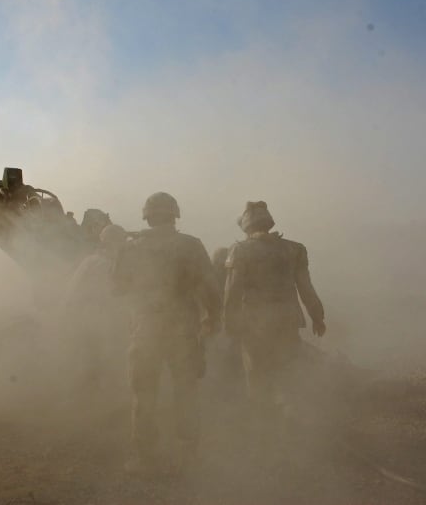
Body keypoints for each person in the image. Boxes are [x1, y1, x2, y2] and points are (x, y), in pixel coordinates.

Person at [112, 192, 221, 474]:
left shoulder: (130, 247)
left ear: (147, 216)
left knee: (144, 393)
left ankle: (144, 457)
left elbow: (117, 288)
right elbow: (210, 288)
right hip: (183, 328)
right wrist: (213, 318)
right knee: (186, 391)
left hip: (145, 327)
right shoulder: (190, 245)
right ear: (174, 215)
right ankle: (188, 455)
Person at [223, 201, 325, 446]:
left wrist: (229, 325)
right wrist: (317, 316)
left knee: (258, 378)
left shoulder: (241, 251)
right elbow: (306, 288)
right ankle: (291, 430)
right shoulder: (294, 250)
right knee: (288, 375)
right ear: (268, 222)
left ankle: (264, 437)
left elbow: (232, 294)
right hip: (287, 323)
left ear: (246, 226)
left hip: (254, 327)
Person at [61, 224, 130, 390]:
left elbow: (72, 292)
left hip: (98, 319)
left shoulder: (93, 261)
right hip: (97, 319)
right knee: (97, 362)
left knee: (97, 361)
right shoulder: (99, 262)